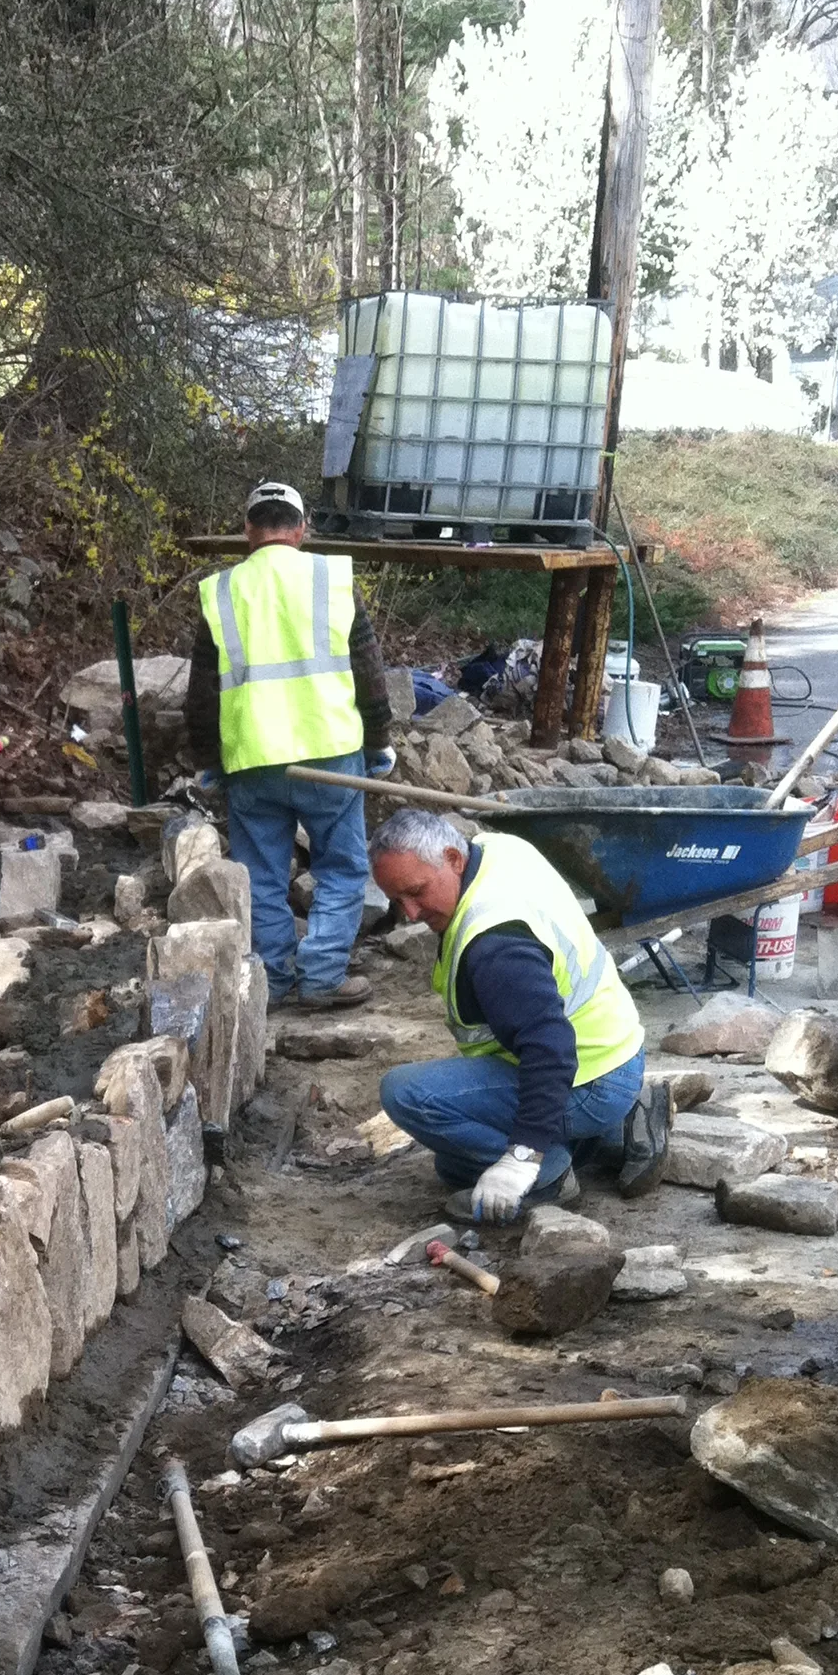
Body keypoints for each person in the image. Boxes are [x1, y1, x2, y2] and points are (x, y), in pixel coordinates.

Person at [369, 805, 670, 1223]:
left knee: (406, 1094)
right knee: (452, 1165)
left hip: (585, 1077)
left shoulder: (497, 946)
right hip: (614, 1052)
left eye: (416, 891)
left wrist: (521, 1157)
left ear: (453, 860)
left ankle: (548, 1177)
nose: (412, 914)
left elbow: (550, 1047)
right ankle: (616, 1126)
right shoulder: (496, 850)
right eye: (397, 900)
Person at [185, 479, 396, 1012]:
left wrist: (209, 761)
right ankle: (323, 977)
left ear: (247, 532)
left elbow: (203, 692)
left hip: (252, 758)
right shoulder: (332, 579)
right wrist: (379, 743)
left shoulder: (224, 591)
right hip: (330, 753)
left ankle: (274, 981)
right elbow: (368, 671)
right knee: (343, 868)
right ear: (302, 530)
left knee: (261, 875)